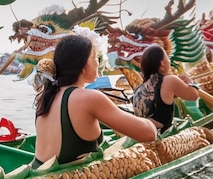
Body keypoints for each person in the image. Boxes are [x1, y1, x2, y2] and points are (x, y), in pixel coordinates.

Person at [32, 34, 158, 167]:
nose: (98, 63)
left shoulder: (45, 95)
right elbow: (149, 134)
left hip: (38, 178)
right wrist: (150, 119)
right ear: (83, 65)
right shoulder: (89, 98)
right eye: (94, 58)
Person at [132, 45, 200, 131]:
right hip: (163, 134)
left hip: (145, 133)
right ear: (162, 63)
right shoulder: (169, 80)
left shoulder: (139, 89)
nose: (169, 61)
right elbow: (193, 96)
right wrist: (189, 81)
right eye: (167, 58)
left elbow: (160, 100)